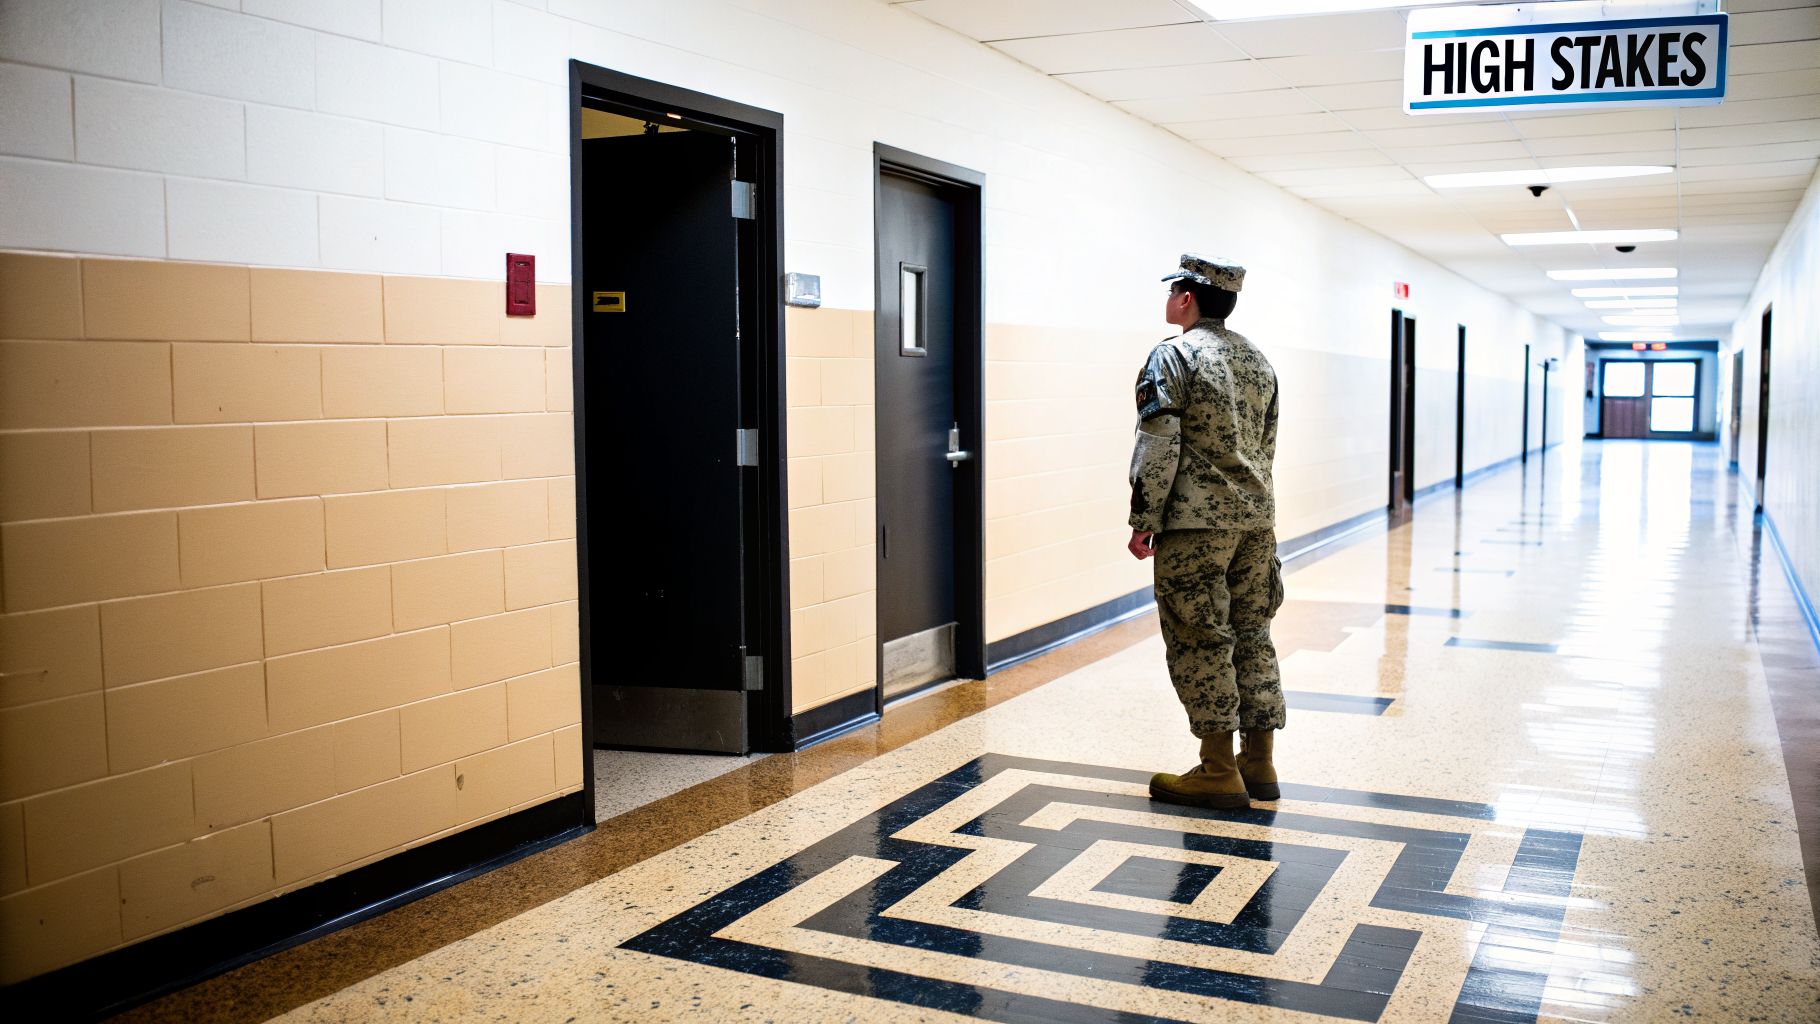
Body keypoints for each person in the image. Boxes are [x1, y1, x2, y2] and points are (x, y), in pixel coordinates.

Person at [1126, 254, 1286, 810]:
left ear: (1187, 298)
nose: (1169, 298)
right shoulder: (1257, 360)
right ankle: (1259, 763)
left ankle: (1218, 770)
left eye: (1174, 290)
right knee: (1252, 631)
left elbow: (1159, 442)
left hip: (1196, 525)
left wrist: (1144, 517)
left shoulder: (1173, 357)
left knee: (1200, 637)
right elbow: (1266, 445)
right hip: (1256, 522)